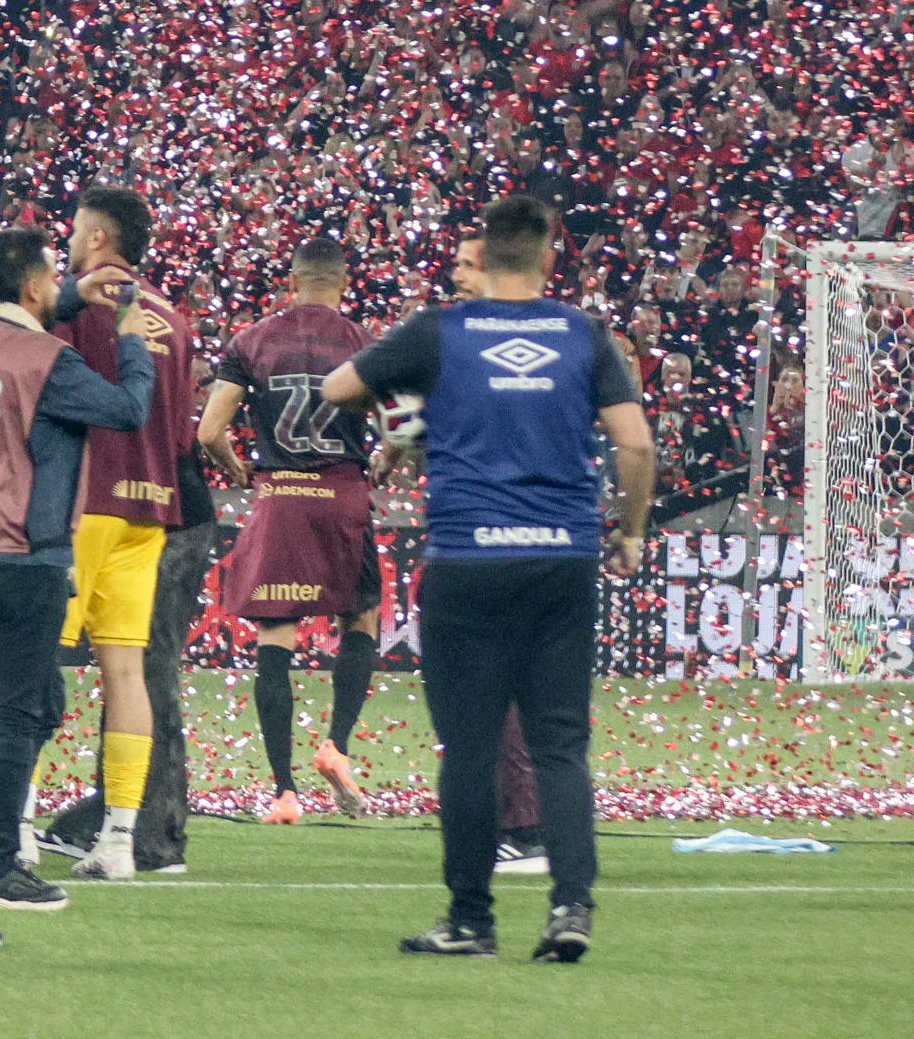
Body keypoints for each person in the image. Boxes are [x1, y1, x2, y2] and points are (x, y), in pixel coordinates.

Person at [328, 196, 654, 964]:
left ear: (485, 258)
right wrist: (630, 532)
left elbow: (340, 387)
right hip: (562, 559)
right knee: (561, 746)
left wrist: (410, 412)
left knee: (470, 749)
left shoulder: (440, 331)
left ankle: (471, 919)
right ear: (546, 260)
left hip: (469, 560)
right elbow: (635, 445)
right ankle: (571, 906)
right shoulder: (583, 333)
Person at [0, 226, 150, 914]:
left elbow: (8, 335)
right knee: (19, 712)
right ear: (35, 287)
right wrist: (129, 334)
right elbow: (127, 410)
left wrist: (72, 296)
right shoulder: (49, 358)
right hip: (23, 557)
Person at [198, 233, 383, 821]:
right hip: (343, 494)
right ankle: (337, 745)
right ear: (344, 283)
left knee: (274, 639)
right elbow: (406, 425)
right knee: (361, 616)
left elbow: (208, 432)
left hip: (280, 496)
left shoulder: (252, 340)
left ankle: (284, 792)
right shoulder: (365, 343)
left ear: (291, 282)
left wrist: (238, 469)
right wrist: (383, 462)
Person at [54, 184, 197, 882]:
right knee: (127, 671)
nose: (70, 238)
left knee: (35, 664)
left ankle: (15, 828)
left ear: (100, 239)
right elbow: (179, 430)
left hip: (86, 505)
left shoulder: (80, 309)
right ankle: (117, 840)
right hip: (153, 508)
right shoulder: (176, 318)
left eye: (78, 229)